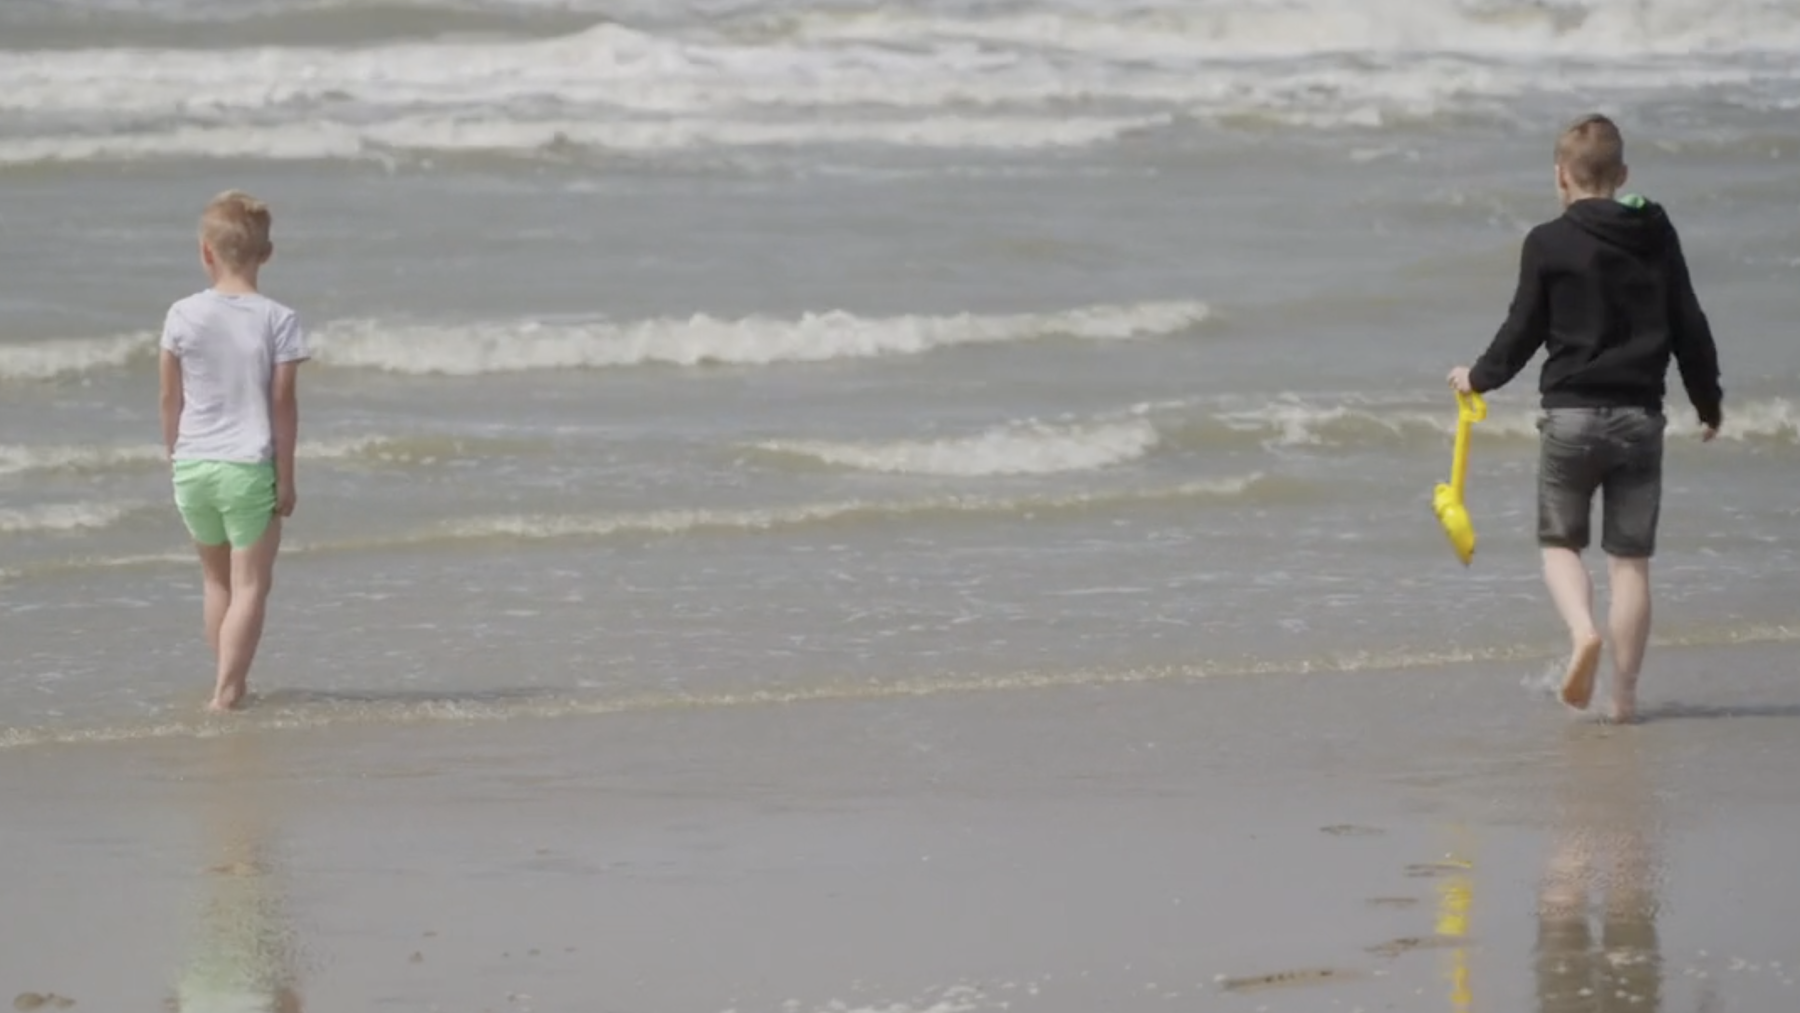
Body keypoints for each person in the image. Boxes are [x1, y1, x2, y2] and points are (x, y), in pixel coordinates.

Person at [1446, 113, 1723, 723]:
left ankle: (1582, 633)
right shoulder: (1656, 234)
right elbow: (1689, 323)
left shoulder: (1547, 242)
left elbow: (1522, 329)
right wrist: (1708, 402)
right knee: (1630, 563)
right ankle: (1623, 699)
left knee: (1559, 545)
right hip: (1640, 419)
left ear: (1560, 177)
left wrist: (1479, 377)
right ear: (1622, 175)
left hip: (1570, 418)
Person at [159, 190, 309, 712]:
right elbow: (283, 404)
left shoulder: (181, 314)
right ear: (266, 254)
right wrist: (286, 477)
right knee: (250, 586)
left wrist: (174, 454)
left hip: (192, 465)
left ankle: (228, 682)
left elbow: (169, 397)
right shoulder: (278, 319)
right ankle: (226, 694)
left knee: (216, 581)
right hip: (247, 467)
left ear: (206, 251)